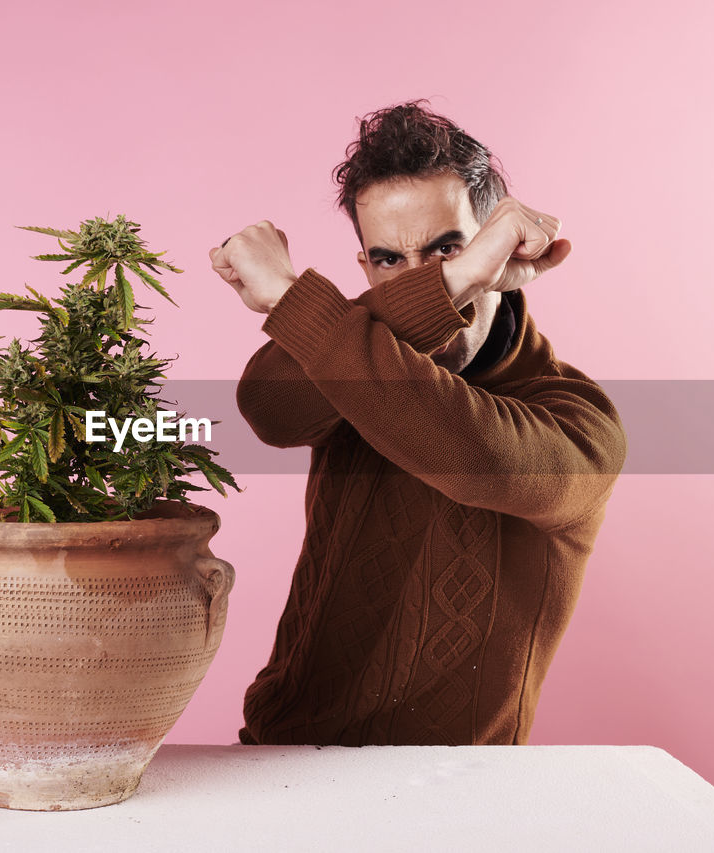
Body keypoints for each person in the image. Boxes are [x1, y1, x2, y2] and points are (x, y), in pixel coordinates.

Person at [207, 101, 627, 746]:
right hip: (279, 752)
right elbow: (267, 409)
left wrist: (293, 300)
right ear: (365, 267)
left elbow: (469, 449)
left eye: (448, 249)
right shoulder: (344, 352)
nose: (423, 278)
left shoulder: (578, 421)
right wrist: (457, 280)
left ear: (502, 249)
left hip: (454, 791)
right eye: (389, 261)